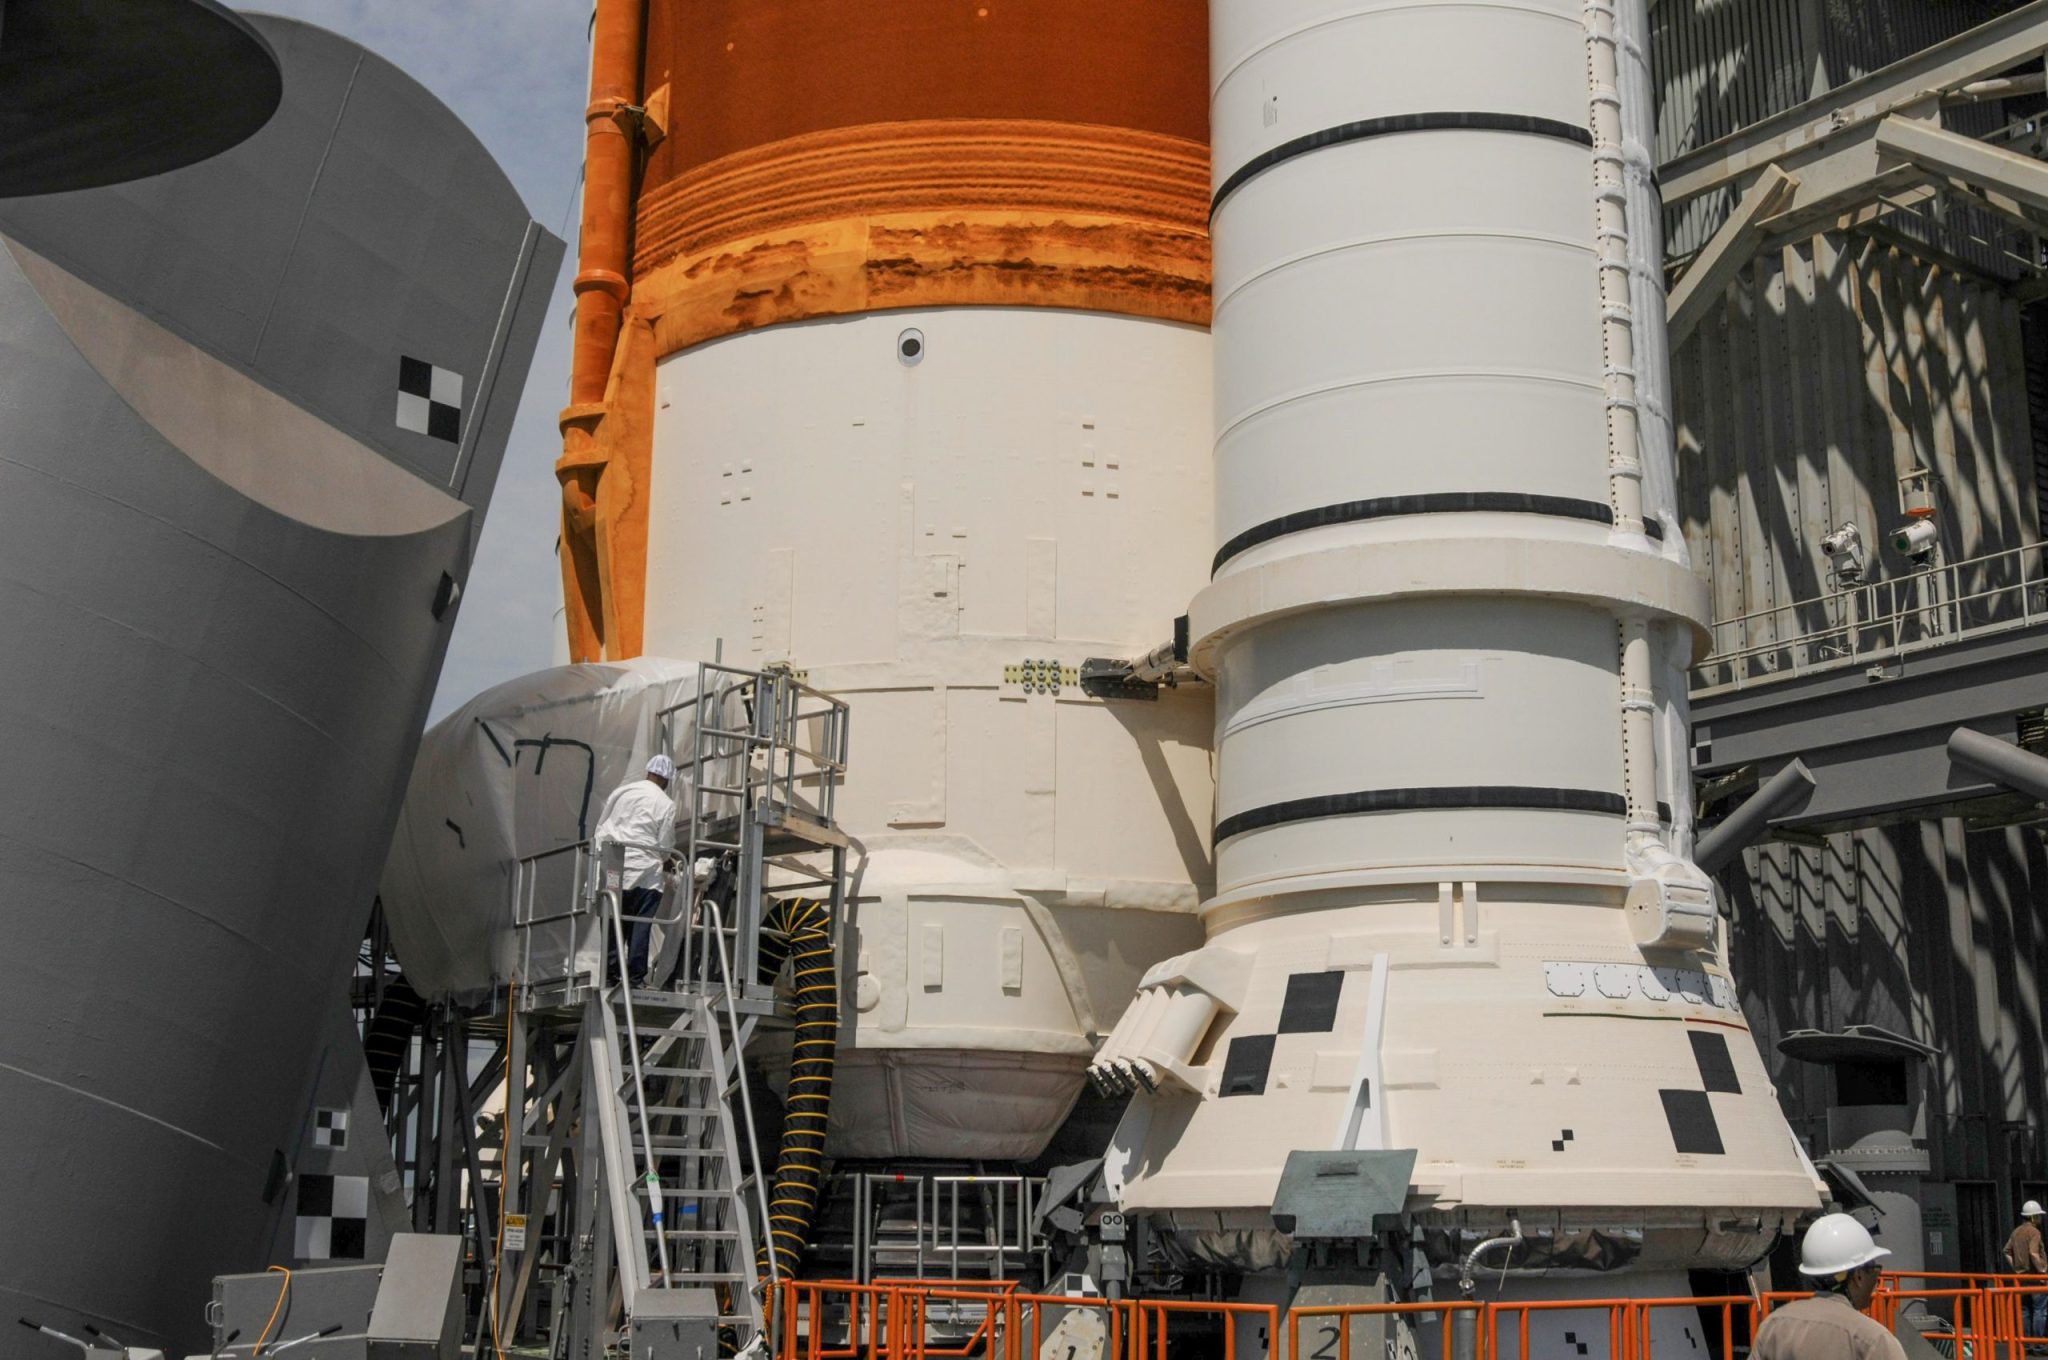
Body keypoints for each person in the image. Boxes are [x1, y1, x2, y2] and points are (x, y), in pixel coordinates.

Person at [1752, 1213, 1905, 1360]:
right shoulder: (1873, 1340)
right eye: (1874, 1270)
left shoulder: (1774, 1324)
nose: (1876, 1280)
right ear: (1858, 1276)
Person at [592, 754, 678, 988]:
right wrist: (667, 860)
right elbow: (664, 844)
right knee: (641, 924)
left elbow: (603, 825)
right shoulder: (666, 804)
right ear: (667, 780)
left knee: (612, 920)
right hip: (645, 873)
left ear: (648, 772)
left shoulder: (622, 792)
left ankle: (610, 975)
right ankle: (634, 978)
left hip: (615, 865)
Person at [2007, 1199, 2048, 1340]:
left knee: (2025, 1311)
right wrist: (2042, 1271)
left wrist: (2016, 1268)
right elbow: (2034, 1253)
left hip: (2021, 1280)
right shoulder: (2034, 1232)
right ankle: (2038, 1344)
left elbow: (2006, 1251)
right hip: (2036, 1279)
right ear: (2033, 1217)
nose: (2040, 1218)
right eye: (2038, 1215)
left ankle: (2026, 1343)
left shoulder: (2016, 1232)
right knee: (2039, 1311)